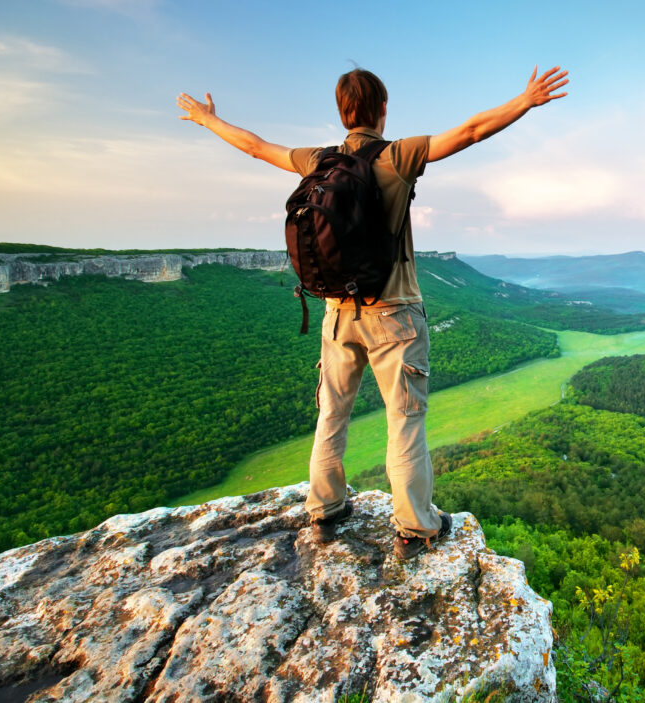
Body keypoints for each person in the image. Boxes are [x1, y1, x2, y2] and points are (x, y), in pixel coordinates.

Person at [178, 65, 568, 559]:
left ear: (342, 112)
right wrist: (526, 100)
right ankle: (414, 526)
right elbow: (470, 132)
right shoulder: (397, 156)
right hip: (395, 315)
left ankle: (325, 510)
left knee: (331, 413)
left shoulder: (317, 161)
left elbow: (256, 146)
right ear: (383, 110)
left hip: (337, 314)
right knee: (404, 419)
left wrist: (208, 119)